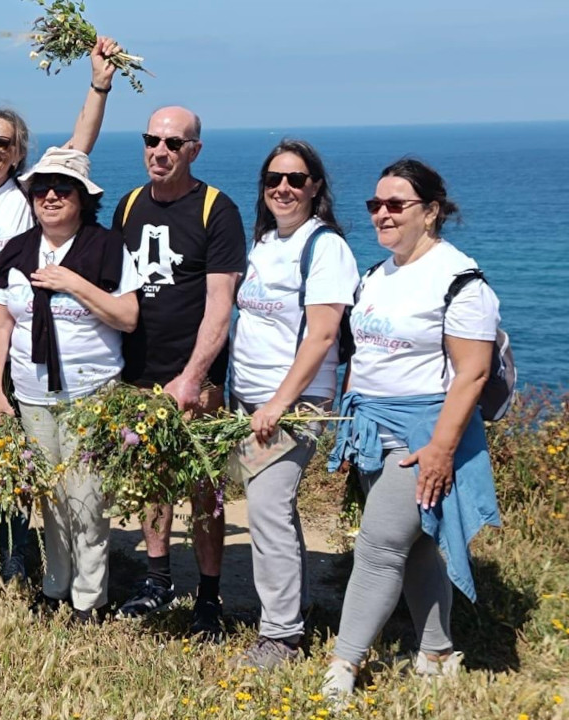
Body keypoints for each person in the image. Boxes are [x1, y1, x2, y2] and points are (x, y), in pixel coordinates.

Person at [0, 36, 121, 594]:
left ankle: (18, 555)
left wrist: (98, 85)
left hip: (18, 351)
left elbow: (78, 146)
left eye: (3, 142)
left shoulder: (29, 193)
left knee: (26, 464)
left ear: (19, 154)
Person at [323, 158, 501, 696]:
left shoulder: (460, 280)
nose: (382, 214)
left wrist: (441, 451)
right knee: (419, 544)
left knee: (378, 547)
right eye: (375, 204)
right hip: (374, 428)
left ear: (432, 212)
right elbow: (365, 356)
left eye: (396, 204)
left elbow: (472, 373)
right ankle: (438, 651)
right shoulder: (379, 274)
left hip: (425, 433)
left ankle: (342, 667)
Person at [0, 147, 140, 624]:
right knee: (51, 498)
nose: (50, 196)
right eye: (41, 189)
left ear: (82, 198)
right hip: (32, 395)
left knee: (87, 500)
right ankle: (56, 587)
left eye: (63, 189)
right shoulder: (16, 250)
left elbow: (128, 317)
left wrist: (73, 283)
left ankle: (90, 600)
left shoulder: (106, 247)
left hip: (90, 394)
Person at [113, 106, 247, 642]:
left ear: (194, 149)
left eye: (173, 143)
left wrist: (193, 377)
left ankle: (210, 598)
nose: (159, 151)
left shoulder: (217, 210)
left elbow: (221, 307)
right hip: (140, 374)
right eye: (152, 140)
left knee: (202, 486)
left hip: (198, 380)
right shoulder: (127, 206)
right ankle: (158, 578)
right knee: (153, 480)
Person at [228, 140, 358, 668]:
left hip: (294, 402)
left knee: (266, 508)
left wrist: (280, 403)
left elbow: (324, 333)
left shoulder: (324, 247)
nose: (283, 187)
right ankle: (293, 608)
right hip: (250, 396)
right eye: (274, 178)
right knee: (271, 506)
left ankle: (281, 636)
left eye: (296, 179)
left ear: (316, 187)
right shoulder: (264, 242)